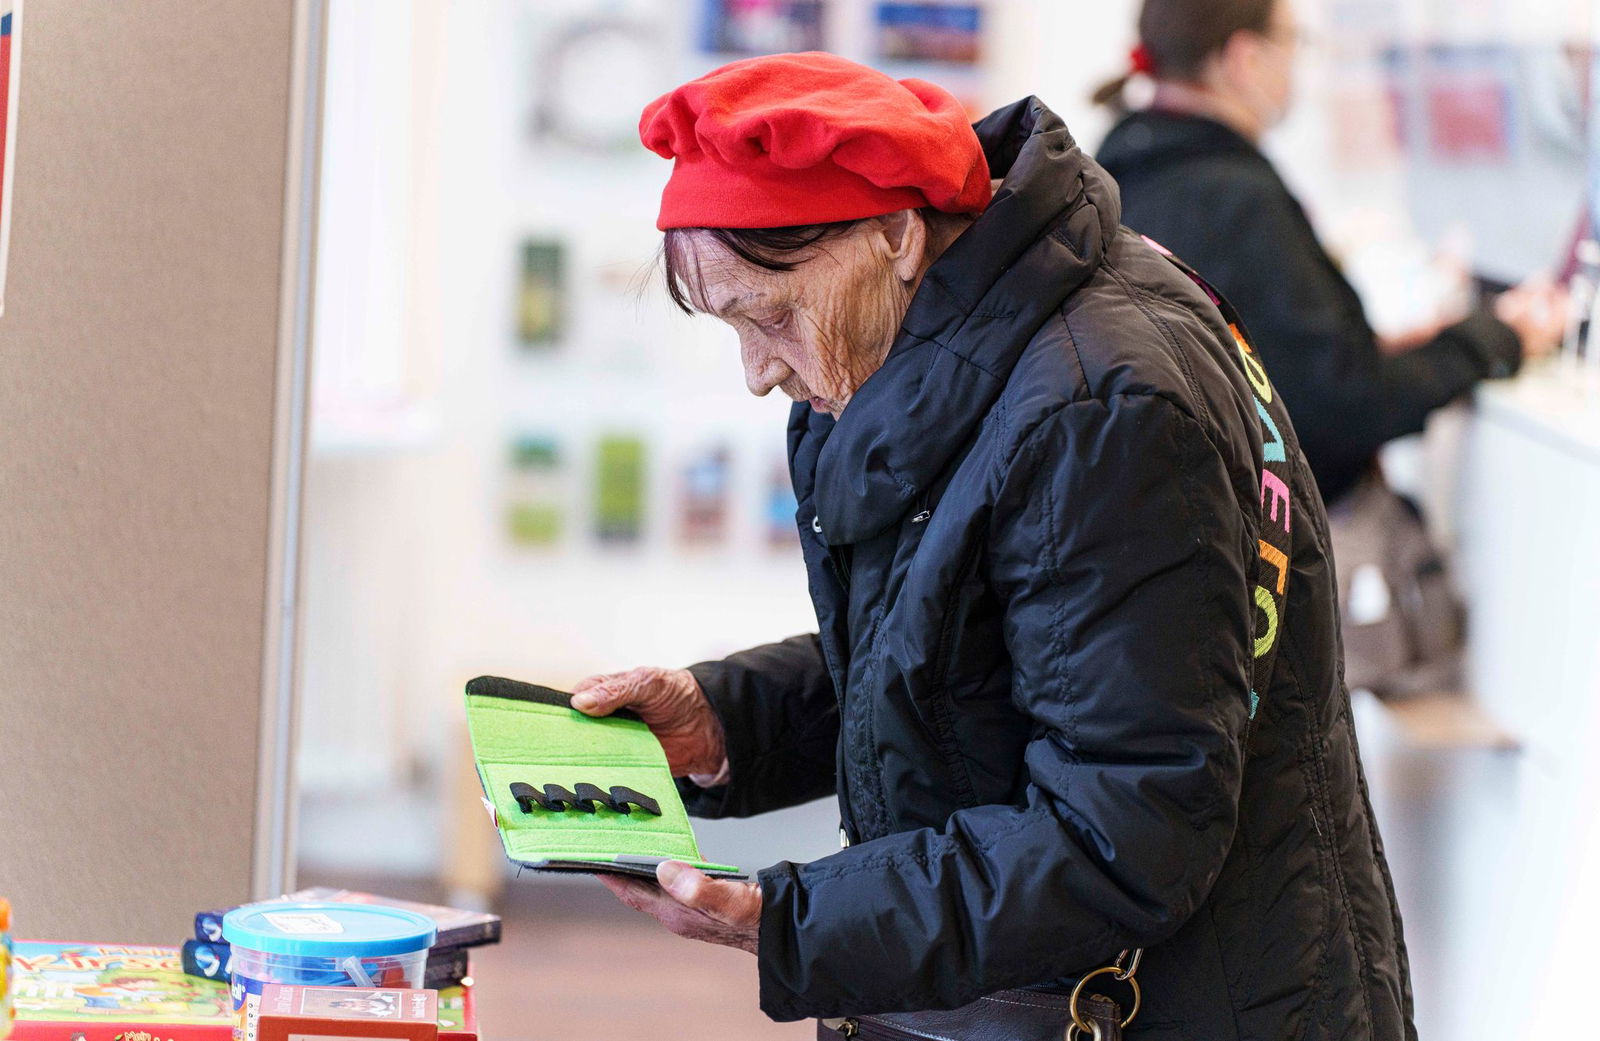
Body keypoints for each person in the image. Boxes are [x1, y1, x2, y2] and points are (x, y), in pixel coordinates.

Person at [572, 51, 1411, 1040]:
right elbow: (966, 659)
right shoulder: (951, 345)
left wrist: (800, 921)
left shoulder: (1095, 408)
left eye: (771, 316)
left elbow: (1121, 832)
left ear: (893, 232)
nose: (759, 373)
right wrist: (728, 722)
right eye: (731, 329)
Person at [1095, 0, 1566, 696]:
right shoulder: (1237, 197)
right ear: (1244, 59)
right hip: (1242, 591)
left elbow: (1262, 357)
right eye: (1294, 42)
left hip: (1154, 582)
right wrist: (1495, 339)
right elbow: (1343, 400)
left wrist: (1379, 346)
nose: (1300, 64)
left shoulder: (1120, 173)